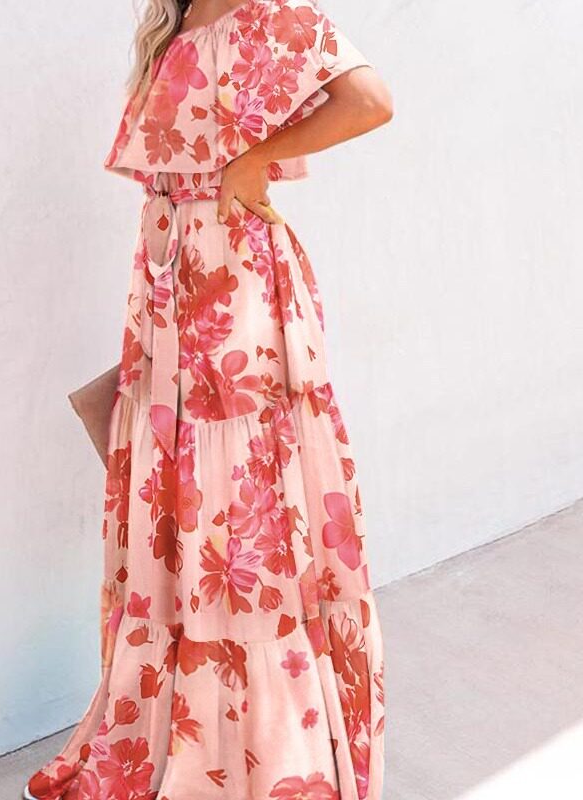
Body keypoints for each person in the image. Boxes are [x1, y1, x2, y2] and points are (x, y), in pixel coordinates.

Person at [24, 1, 393, 798]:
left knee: (240, 501)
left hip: (236, 280)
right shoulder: (180, 19)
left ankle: (261, 749)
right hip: (167, 282)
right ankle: (180, 732)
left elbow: (369, 100)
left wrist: (257, 160)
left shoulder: (271, 13)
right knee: (181, 498)